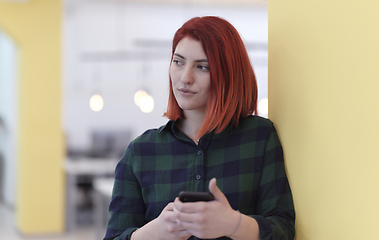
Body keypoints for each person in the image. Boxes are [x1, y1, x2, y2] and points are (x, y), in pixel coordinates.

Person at [104, 16, 295, 240]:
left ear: (228, 74)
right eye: (178, 61)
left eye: (202, 67)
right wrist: (154, 233)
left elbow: (284, 229)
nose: (185, 78)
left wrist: (234, 224)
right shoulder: (139, 152)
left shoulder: (259, 137)